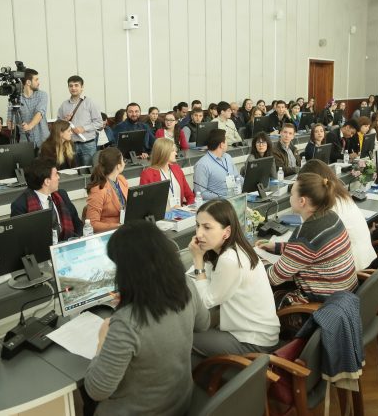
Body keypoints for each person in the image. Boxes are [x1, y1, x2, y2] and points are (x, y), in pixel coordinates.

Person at [83, 221, 209, 416]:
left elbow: (97, 390)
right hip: (180, 401)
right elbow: (204, 324)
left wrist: (102, 341)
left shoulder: (127, 321)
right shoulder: (185, 285)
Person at [189, 199, 279, 357]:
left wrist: (197, 260)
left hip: (253, 342)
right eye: (198, 225)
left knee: (182, 335)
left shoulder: (229, 260)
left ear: (227, 232)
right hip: (258, 332)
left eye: (207, 227)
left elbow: (205, 302)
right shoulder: (236, 247)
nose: (199, 234)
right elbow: (209, 278)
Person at [257, 173, 357, 307]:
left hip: (325, 306)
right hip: (345, 296)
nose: (290, 197)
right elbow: (308, 251)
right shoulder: (331, 216)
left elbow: (272, 278)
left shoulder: (306, 234)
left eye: (292, 194)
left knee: (262, 297)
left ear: (302, 201)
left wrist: (255, 258)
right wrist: (276, 247)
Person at [298, 160, 376, 270]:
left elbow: (308, 247)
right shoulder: (342, 197)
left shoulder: (327, 207)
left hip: (352, 270)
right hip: (366, 262)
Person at [10, 158, 82, 241]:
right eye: (56, 174)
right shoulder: (20, 206)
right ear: (47, 181)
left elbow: (78, 224)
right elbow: (21, 240)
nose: (58, 177)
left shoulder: (62, 195)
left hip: (68, 245)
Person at [56, 75, 103, 167]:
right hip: (70, 145)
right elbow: (58, 124)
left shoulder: (90, 102)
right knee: (74, 171)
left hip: (88, 144)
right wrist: (64, 120)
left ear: (82, 87)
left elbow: (99, 123)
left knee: (89, 171)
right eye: (71, 86)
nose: (73, 88)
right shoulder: (64, 105)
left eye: (76, 85)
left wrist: (84, 128)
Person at [139, 138, 195, 208]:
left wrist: (189, 209)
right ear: (164, 153)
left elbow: (190, 196)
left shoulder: (177, 169)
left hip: (180, 212)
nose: (176, 153)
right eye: (172, 151)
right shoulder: (147, 174)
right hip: (162, 214)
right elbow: (145, 204)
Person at [85, 147, 128, 232]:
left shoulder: (121, 179)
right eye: (123, 160)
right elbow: (92, 224)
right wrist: (118, 226)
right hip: (109, 232)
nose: (124, 163)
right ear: (118, 166)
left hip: (125, 228)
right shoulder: (98, 190)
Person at [7, 68, 49, 149]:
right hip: (25, 141)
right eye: (36, 80)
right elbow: (10, 119)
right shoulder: (15, 99)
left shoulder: (42, 95)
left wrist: (29, 126)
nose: (38, 83)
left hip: (43, 139)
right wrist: (10, 123)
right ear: (28, 82)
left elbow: (40, 113)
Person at [193, 129, 240, 200]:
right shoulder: (202, 165)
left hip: (234, 199)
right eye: (226, 141)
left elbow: (237, 177)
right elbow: (200, 193)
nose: (227, 143)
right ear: (221, 145)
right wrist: (222, 198)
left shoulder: (228, 157)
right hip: (216, 204)